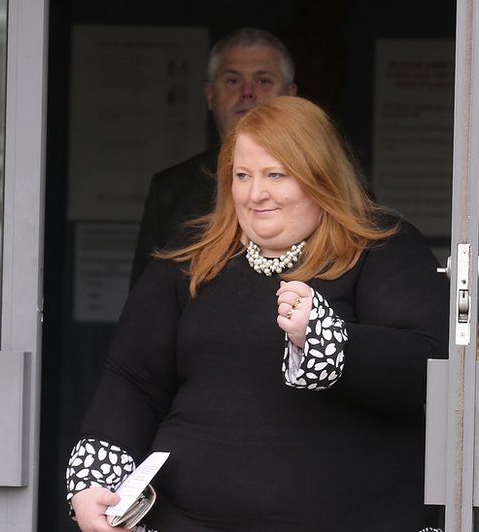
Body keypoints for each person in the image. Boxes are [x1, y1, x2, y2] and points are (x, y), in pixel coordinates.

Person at [66, 96, 447, 531]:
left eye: (275, 175)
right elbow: (133, 382)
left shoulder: (381, 248)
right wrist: (92, 481)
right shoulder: (190, 258)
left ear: (319, 177)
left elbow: (424, 367)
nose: (255, 194)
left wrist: (327, 341)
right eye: (242, 176)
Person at [130, 28, 298, 287]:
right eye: (233, 81)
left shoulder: (323, 179)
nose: (248, 92)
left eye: (263, 80)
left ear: (290, 95)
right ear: (210, 95)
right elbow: (145, 307)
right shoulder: (170, 189)